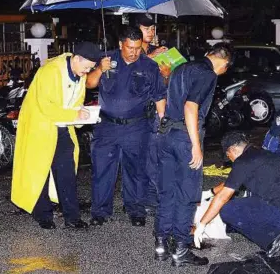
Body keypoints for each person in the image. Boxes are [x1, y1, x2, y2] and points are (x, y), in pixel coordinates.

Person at [11, 42, 104, 229]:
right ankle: (43, 216)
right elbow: (45, 107)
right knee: (40, 173)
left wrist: (83, 115)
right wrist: (74, 115)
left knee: (67, 173)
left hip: (62, 128)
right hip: (40, 129)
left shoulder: (78, 72)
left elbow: (75, 103)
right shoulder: (50, 71)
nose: (87, 72)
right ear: (76, 59)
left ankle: (72, 218)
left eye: (90, 68)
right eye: (86, 67)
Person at [154, 43, 231, 267]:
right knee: (186, 195)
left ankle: (160, 244)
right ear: (224, 63)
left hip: (166, 135)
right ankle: (180, 249)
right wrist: (195, 144)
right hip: (184, 137)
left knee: (167, 191)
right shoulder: (207, 74)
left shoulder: (182, 68)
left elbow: (167, 98)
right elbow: (190, 108)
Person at [86, 26, 167, 227]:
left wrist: (163, 120)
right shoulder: (106, 60)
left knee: (136, 171)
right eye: (130, 47)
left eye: (138, 48)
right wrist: (99, 70)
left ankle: (135, 209)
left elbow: (159, 96)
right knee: (102, 170)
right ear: (121, 44)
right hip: (107, 127)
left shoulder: (149, 66)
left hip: (137, 127)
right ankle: (100, 211)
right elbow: (89, 84)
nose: (134, 52)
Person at [195, 131, 280, 257]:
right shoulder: (260, 155)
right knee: (250, 198)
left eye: (228, 155)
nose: (229, 159)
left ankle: (274, 240)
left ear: (232, 149)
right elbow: (229, 183)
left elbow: (223, 196)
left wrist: (202, 224)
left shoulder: (243, 162)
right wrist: (208, 193)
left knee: (227, 209)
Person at [136, 13, 171, 214]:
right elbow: (131, 70)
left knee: (156, 155)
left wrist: (166, 74)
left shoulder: (153, 50)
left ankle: (153, 197)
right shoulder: (132, 51)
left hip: (157, 108)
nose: (151, 32)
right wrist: (151, 57)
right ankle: (145, 199)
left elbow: (161, 84)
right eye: (146, 28)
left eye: (152, 29)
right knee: (146, 157)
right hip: (138, 111)